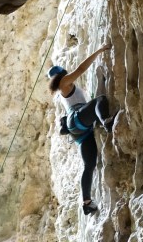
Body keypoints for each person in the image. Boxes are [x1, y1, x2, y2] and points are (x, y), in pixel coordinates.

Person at [47, 43, 114, 215]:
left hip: (79, 130)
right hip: (77, 120)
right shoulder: (64, 82)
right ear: (61, 74)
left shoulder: (63, 88)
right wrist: (99, 50)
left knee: (89, 164)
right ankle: (106, 122)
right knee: (100, 100)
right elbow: (81, 68)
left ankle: (87, 203)